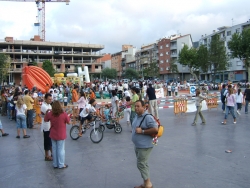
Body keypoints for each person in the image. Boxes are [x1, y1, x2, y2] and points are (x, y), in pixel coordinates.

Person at [132, 100, 158, 188]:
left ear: (144, 107)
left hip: (145, 146)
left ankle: (148, 184)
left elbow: (155, 129)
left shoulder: (148, 117)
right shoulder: (137, 116)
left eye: (138, 106)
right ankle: (146, 183)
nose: (136, 108)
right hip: (138, 145)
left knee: (141, 164)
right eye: (135, 106)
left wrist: (142, 131)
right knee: (143, 164)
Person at [44, 101, 70, 169]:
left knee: (54, 149)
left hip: (53, 133)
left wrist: (47, 112)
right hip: (61, 134)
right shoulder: (63, 114)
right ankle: (61, 164)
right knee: (61, 150)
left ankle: (55, 164)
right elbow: (68, 122)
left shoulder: (50, 114)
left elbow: (45, 120)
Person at [41, 93, 53, 161]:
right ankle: (46, 155)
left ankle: (52, 153)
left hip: (49, 125)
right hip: (46, 126)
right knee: (47, 140)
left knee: (50, 140)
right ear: (45, 99)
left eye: (51, 99)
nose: (50, 100)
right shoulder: (44, 106)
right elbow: (49, 115)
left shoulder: (49, 105)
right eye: (49, 99)